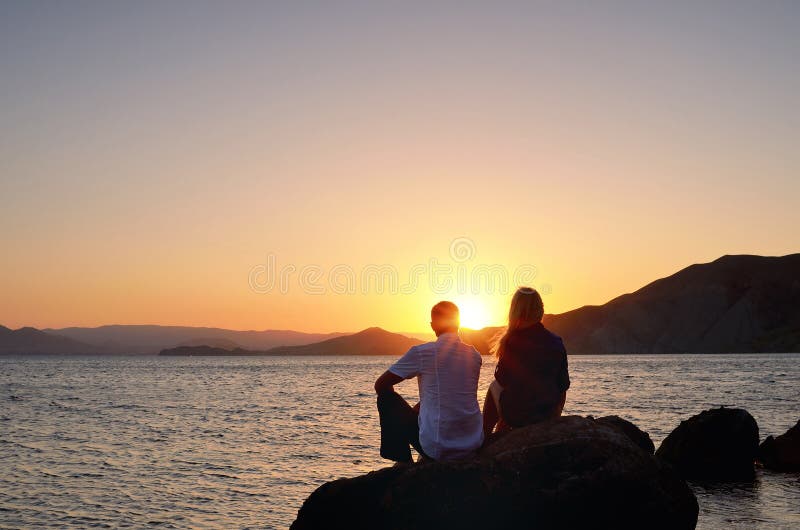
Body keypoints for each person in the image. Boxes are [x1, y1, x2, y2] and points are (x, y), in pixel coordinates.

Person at [374, 301, 484, 463]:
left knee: (386, 398)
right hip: (472, 445)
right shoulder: (474, 355)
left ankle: (403, 461)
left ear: (433, 326)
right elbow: (451, 396)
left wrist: (402, 419)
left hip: (439, 449)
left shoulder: (422, 353)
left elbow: (381, 385)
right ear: (459, 323)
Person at [482, 287, 570, 439]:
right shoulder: (556, 342)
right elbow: (563, 386)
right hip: (547, 415)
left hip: (520, 418)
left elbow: (502, 380)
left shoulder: (512, 343)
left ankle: (484, 437)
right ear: (540, 311)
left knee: (494, 386)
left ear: (515, 311)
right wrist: (554, 417)